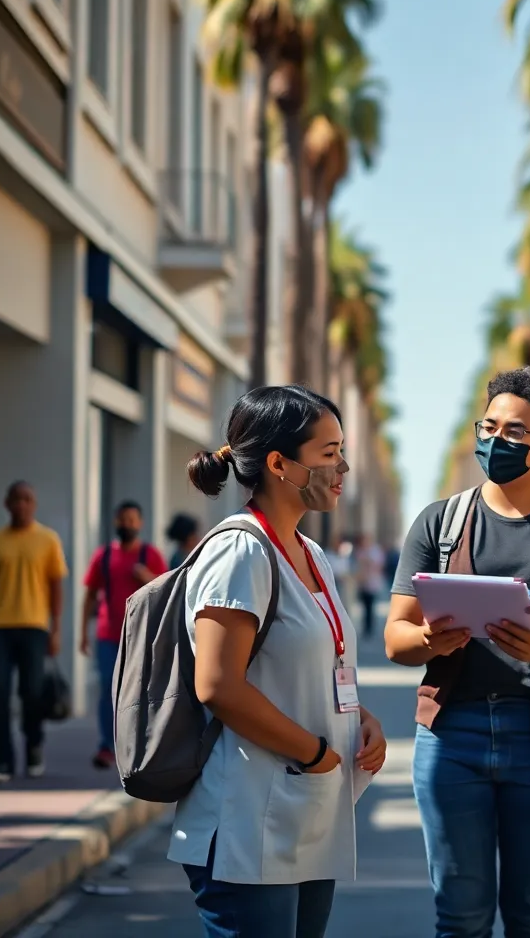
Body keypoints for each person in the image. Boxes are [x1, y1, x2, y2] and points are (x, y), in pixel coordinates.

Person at [385, 367, 530, 938]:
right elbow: (396, 639)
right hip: (450, 736)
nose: (494, 441)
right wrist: (432, 640)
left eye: (514, 433)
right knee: (459, 915)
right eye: (488, 427)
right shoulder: (439, 523)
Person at [168, 385, 386, 938]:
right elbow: (218, 684)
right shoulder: (240, 550)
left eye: (343, 451)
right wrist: (313, 751)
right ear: (278, 464)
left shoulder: (311, 554)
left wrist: (358, 719)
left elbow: (315, 664)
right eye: (329, 453)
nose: (343, 468)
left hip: (304, 816)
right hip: (248, 819)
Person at [0, 482, 67, 783]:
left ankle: (33, 748)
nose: (22, 505)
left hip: (34, 628)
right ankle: (3, 761)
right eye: (16, 499)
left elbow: (56, 589)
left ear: (34, 504)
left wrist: (55, 630)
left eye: (27, 499)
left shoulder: (48, 539)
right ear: (7, 503)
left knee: (31, 694)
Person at [81, 501, 166, 769]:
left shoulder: (150, 555)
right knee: (108, 688)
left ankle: (137, 745)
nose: (126, 524)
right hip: (107, 634)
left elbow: (166, 589)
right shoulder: (103, 555)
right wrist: (83, 633)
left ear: (140, 523)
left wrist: (147, 577)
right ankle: (106, 745)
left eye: (132, 520)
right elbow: (89, 596)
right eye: (122, 519)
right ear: (115, 522)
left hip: (140, 635)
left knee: (139, 690)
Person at [354, 534, 385, 640]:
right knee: (364, 607)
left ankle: (370, 627)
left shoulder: (375, 551)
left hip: (372, 584)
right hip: (362, 584)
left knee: (370, 606)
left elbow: (378, 566)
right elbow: (358, 566)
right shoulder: (360, 551)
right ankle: (365, 627)